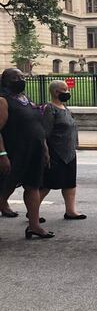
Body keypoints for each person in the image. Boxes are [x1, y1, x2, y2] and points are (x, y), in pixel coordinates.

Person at [0, 68, 54, 239]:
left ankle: (34, 226)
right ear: (7, 81)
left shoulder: (25, 99)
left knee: (33, 186)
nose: (21, 79)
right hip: (14, 152)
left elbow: (36, 125)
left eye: (22, 76)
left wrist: (44, 148)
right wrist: (2, 155)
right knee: (4, 188)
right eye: (17, 77)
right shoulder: (3, 100)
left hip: (34, 150)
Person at [39, 80, 86, 220]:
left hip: (69, 153)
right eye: (64, 90)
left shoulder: (65, 108)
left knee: (70, 183)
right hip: (55, 153)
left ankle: (70, 211)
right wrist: (46, 152)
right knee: (48, 184)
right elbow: (44, 133)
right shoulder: (50, 109)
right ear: (56, 92)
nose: (68, 92)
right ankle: (33, 210)